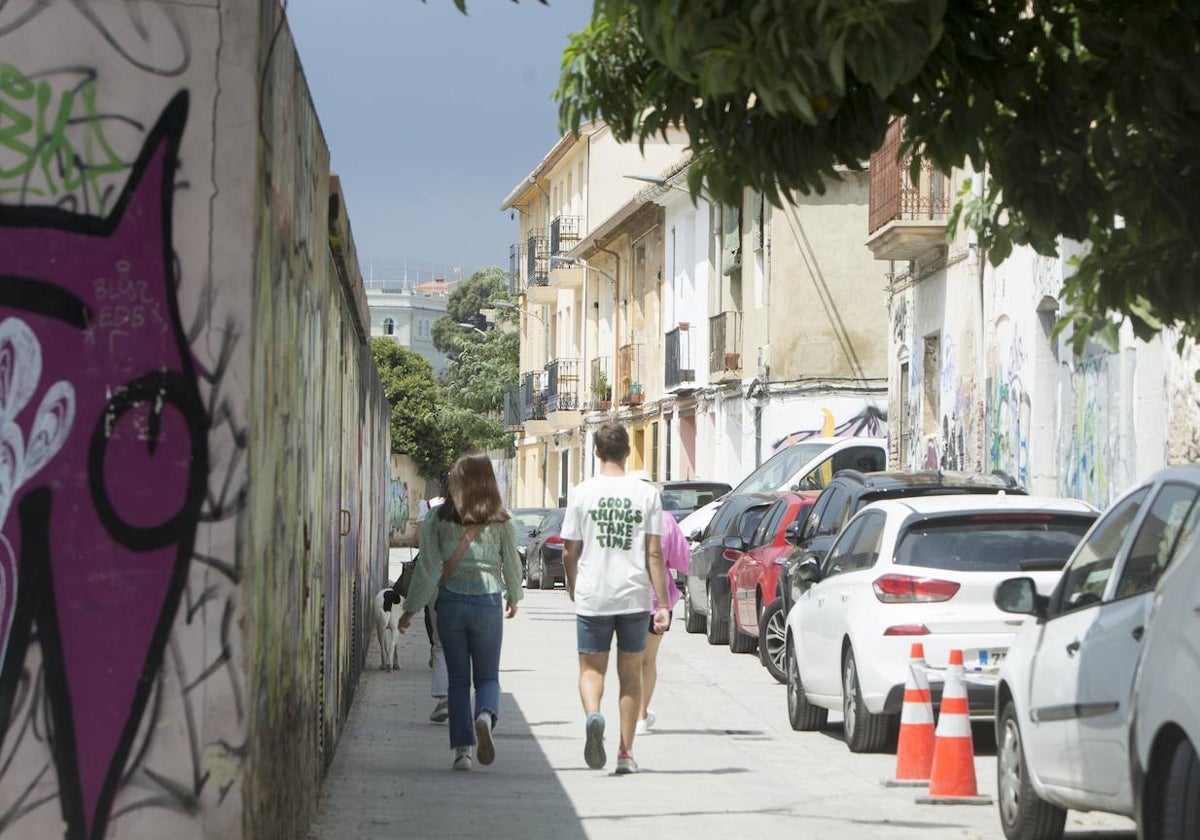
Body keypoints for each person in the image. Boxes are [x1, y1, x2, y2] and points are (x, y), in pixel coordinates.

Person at [399, 453, 522, 771]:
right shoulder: (501, 519)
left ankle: (463, 753)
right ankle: (484, 715)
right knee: (486, 677)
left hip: (451, 603)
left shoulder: (439, 517)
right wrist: (514, 596)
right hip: (487, 604)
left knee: (457, 681)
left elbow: (426, 568)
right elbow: (512, 563)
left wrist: (410, 610)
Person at [562, 422, 669, 775]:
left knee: (591, 670)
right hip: (634, 599)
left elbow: (568, 550)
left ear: (595, 452)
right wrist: (663, 604)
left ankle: (594, 715)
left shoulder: (581, 493)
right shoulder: (647, 495)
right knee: (630, 676)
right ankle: (625, 753)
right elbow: (655, 554)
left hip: (594, 595)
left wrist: (573, 584)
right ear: (627, 452)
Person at [625, 471, 690, 736]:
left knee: (630, 659)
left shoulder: (620, 522)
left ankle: (630, 715)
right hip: (656, 600)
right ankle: (641, 717)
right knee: (648, 660)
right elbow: (682, 560)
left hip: (626, 597)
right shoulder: (665, 521)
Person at [412, 485, 449, 722]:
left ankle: (444, 698)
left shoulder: (431, 509)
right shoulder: (481, 509)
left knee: (440, 643)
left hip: (437, 582)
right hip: (475, 587)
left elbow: (416, 541)